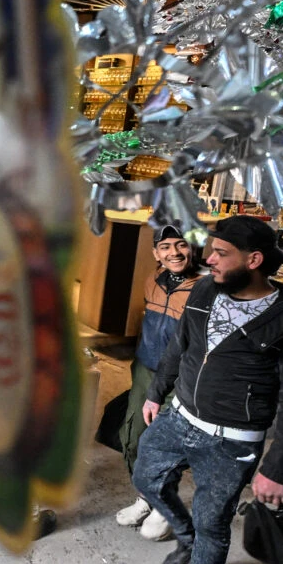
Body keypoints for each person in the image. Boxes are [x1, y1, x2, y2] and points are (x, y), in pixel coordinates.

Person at [132, 216, 283, 564]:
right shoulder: (205, 288)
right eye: (211, 250)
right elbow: (179, 346)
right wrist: (156, 392)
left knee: (212, 521)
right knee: (146, 478)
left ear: (253, 260)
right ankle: (186, 539)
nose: (208, 259)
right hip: (178, 415)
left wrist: (277, 467)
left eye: (221, 253)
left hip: (230, 442)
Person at [117, 224, 202, 542]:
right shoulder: (151, 279)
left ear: (192, 248)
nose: (174, 253)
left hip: (180, 377)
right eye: (165, 246)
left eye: (181, 245)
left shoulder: (205, 287)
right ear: (156, 253)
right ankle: (145, 497)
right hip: (145, 370)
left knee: (164, 444)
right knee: (133, 435)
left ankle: (163, 505)